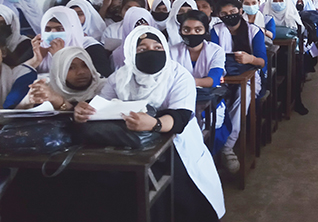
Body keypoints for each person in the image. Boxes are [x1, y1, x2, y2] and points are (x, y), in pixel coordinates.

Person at [74, 27, 226, 220]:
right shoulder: (119, 78)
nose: (151, 52)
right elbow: (100, 108)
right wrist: (84, 112)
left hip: (174, 145)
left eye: (157, 47)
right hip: (131, 143)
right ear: (130, 52)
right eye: (142, 49)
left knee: (180, 201)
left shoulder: (179, 76)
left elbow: (181, 117)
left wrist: (154, 124)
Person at [211, 0, 267, 172]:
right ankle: (211, 144)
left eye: (233, 12)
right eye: (224, 14)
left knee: (243, 97)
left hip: (250, 75)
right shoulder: (216, 30)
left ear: (240, 11)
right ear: (219, 16)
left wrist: (250, 58)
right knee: (214, 100)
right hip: (224, 75)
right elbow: (212, 57)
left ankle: (227, 146)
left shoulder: (254, 31)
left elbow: (262, 62)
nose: (229, 16)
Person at [38, 6, 112, 77]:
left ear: (73, 28)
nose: (52, 33)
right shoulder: (39, 47)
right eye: (47, 29)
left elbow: (102, 77)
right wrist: (35, 60)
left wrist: (59, 57)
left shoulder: (90, 47)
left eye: (60, 29)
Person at [27, 46, 104, 111]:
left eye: (85, 65)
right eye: (71, 68)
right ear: (58, 72)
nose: (81, 72)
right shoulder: (47, 91)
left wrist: (59, 101)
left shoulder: (103, 89)